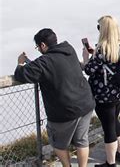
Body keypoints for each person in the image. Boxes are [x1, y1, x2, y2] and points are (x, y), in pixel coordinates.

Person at [14, 29, 95, 167]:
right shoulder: (68, 49)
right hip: (85, 103)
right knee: (82, 140)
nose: (39, 49)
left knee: (58, 143)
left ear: (43, 45)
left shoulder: (43, 62)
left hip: (64, 111)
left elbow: (21, 75)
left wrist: (20, 62)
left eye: (38, 47)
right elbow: (54, 67)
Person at [83, 16, 120, 166]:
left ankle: (111, 163)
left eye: (99, 27)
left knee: (108, 128)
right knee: (114, 120)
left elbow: (89, 70)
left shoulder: (103, 48)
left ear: (104, 30)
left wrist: (86, 58)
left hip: (104, 96)